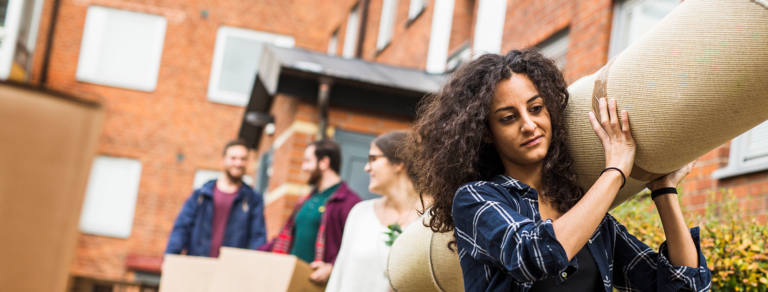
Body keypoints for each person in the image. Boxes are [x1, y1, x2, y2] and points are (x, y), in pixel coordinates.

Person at [409, 49, 712, 291]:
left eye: (536, 108)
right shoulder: (476, 200)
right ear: (486, 132)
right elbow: (537, 255)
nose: (529, 125)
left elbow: (682, 286)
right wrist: (616, 171)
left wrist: (663, 189)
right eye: (508, 118)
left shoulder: (587, 215)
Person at [325, 131, 431, 292]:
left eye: (373, 159)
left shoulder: (433, 218)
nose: (367, 168)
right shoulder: (360, 213)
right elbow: (339, 274)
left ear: (398, 163)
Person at [262, 139, 362, 284]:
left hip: (316, 284)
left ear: (324, 163)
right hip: (289, 279)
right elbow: (285, 238)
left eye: (307, 161)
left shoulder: (349, 203)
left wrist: (331, 267)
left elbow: (355, 247)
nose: (303, 167)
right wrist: (248, 253)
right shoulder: (306, 200)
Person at [166, 139, 266, 257]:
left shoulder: (252, 200)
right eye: (233, 158)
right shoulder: (201, 194)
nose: (238, 163)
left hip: (231, 269)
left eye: (243, 159)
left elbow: (258, 238)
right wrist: (170, 258)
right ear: (223, 160)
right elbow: (182, 228)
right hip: (198, 263)